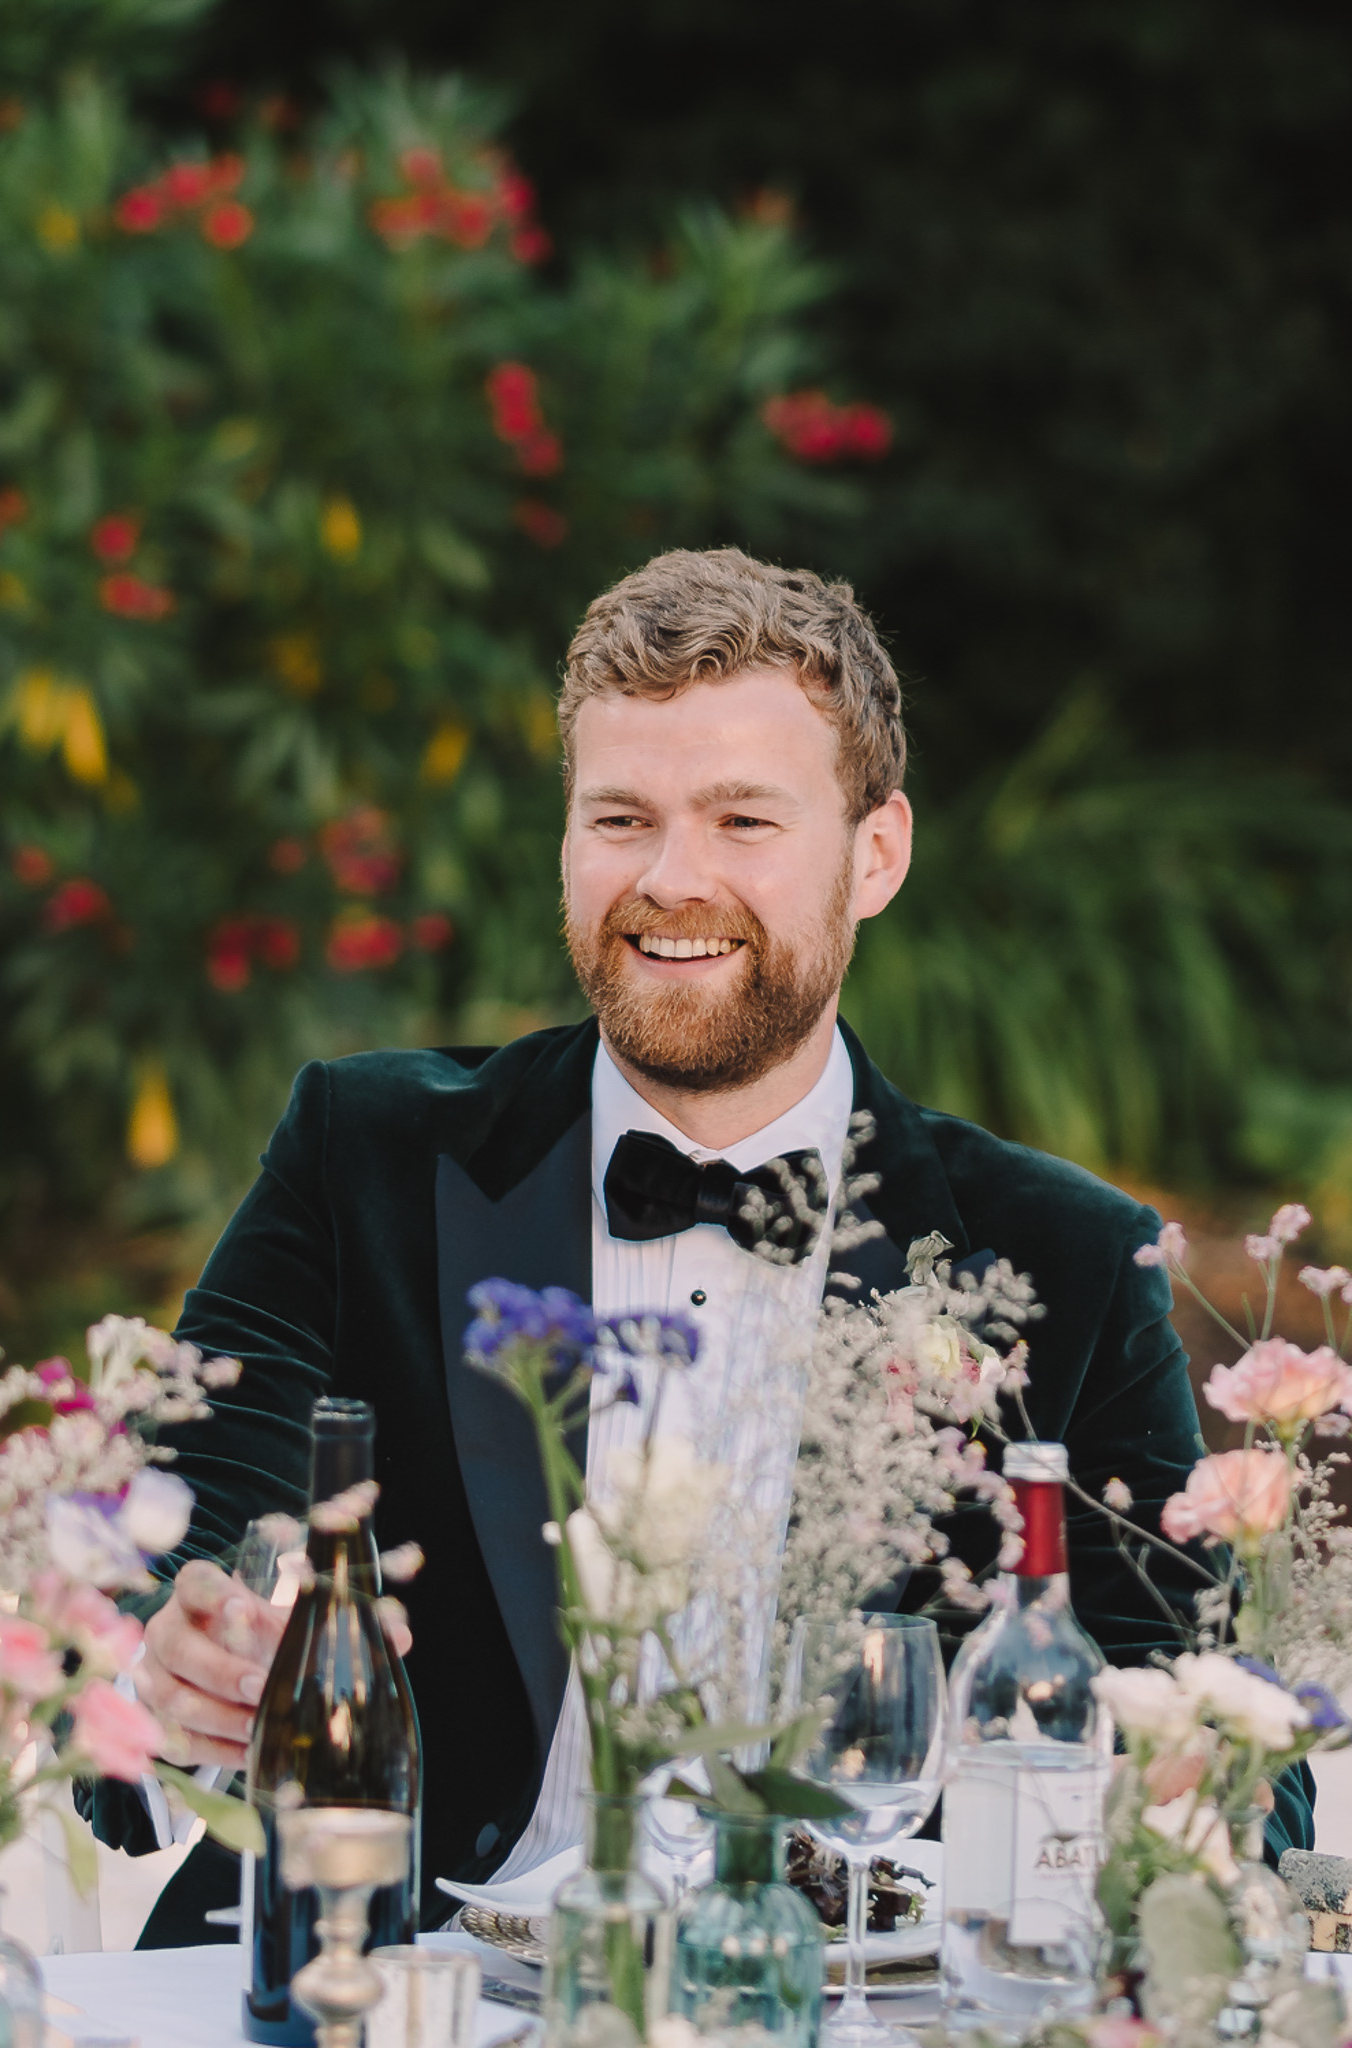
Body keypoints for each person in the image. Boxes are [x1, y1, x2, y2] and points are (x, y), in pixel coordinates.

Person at [81, 547, 1311, 1943]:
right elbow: (165, 1533)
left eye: (742, 821)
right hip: (375, 1976)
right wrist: (174, 1662)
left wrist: (1163, 1808)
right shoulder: (361, 1152)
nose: (672, 880)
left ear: (877, 855)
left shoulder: (1064, 1260)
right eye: (621, 817)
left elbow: (1220, 1753)